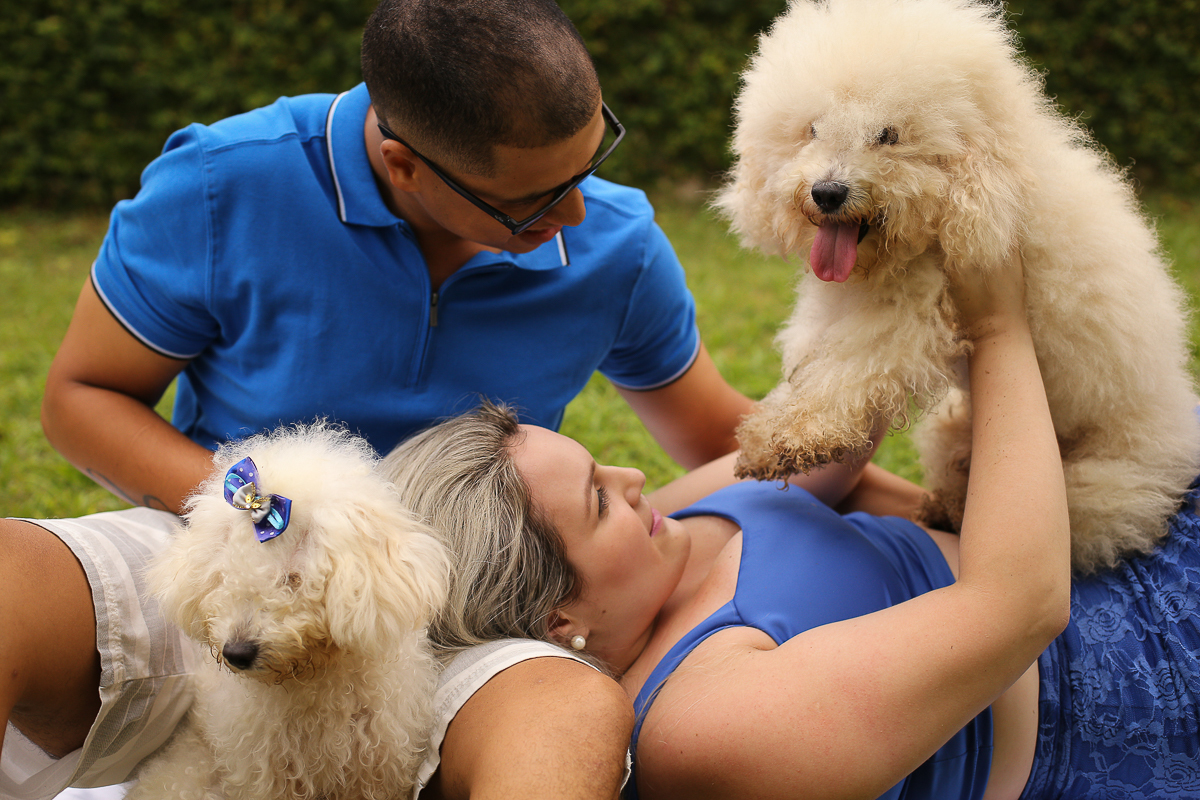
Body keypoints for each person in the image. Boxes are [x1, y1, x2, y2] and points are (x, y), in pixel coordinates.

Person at [6, 1, 752, 798]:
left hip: (466, 608)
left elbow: (721, 431)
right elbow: (81, 396)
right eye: (530, 202)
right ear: (403, 164)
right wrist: (260, 521)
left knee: (565, 713)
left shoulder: (617, 245)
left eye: (587, 168)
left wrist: (886, 484)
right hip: (230, 554)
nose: (575, 218)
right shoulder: (222, 187)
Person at [384, 250, 1200, 799]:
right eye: (601, 502)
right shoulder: (701, 720)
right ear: (561, 619)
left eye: (601, 466)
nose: (636, 481)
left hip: (1124, 547)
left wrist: (878, 250)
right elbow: (1020, 607)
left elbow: (827, 439)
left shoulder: (659, 536)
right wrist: (996, 326)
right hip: (1141, 699)